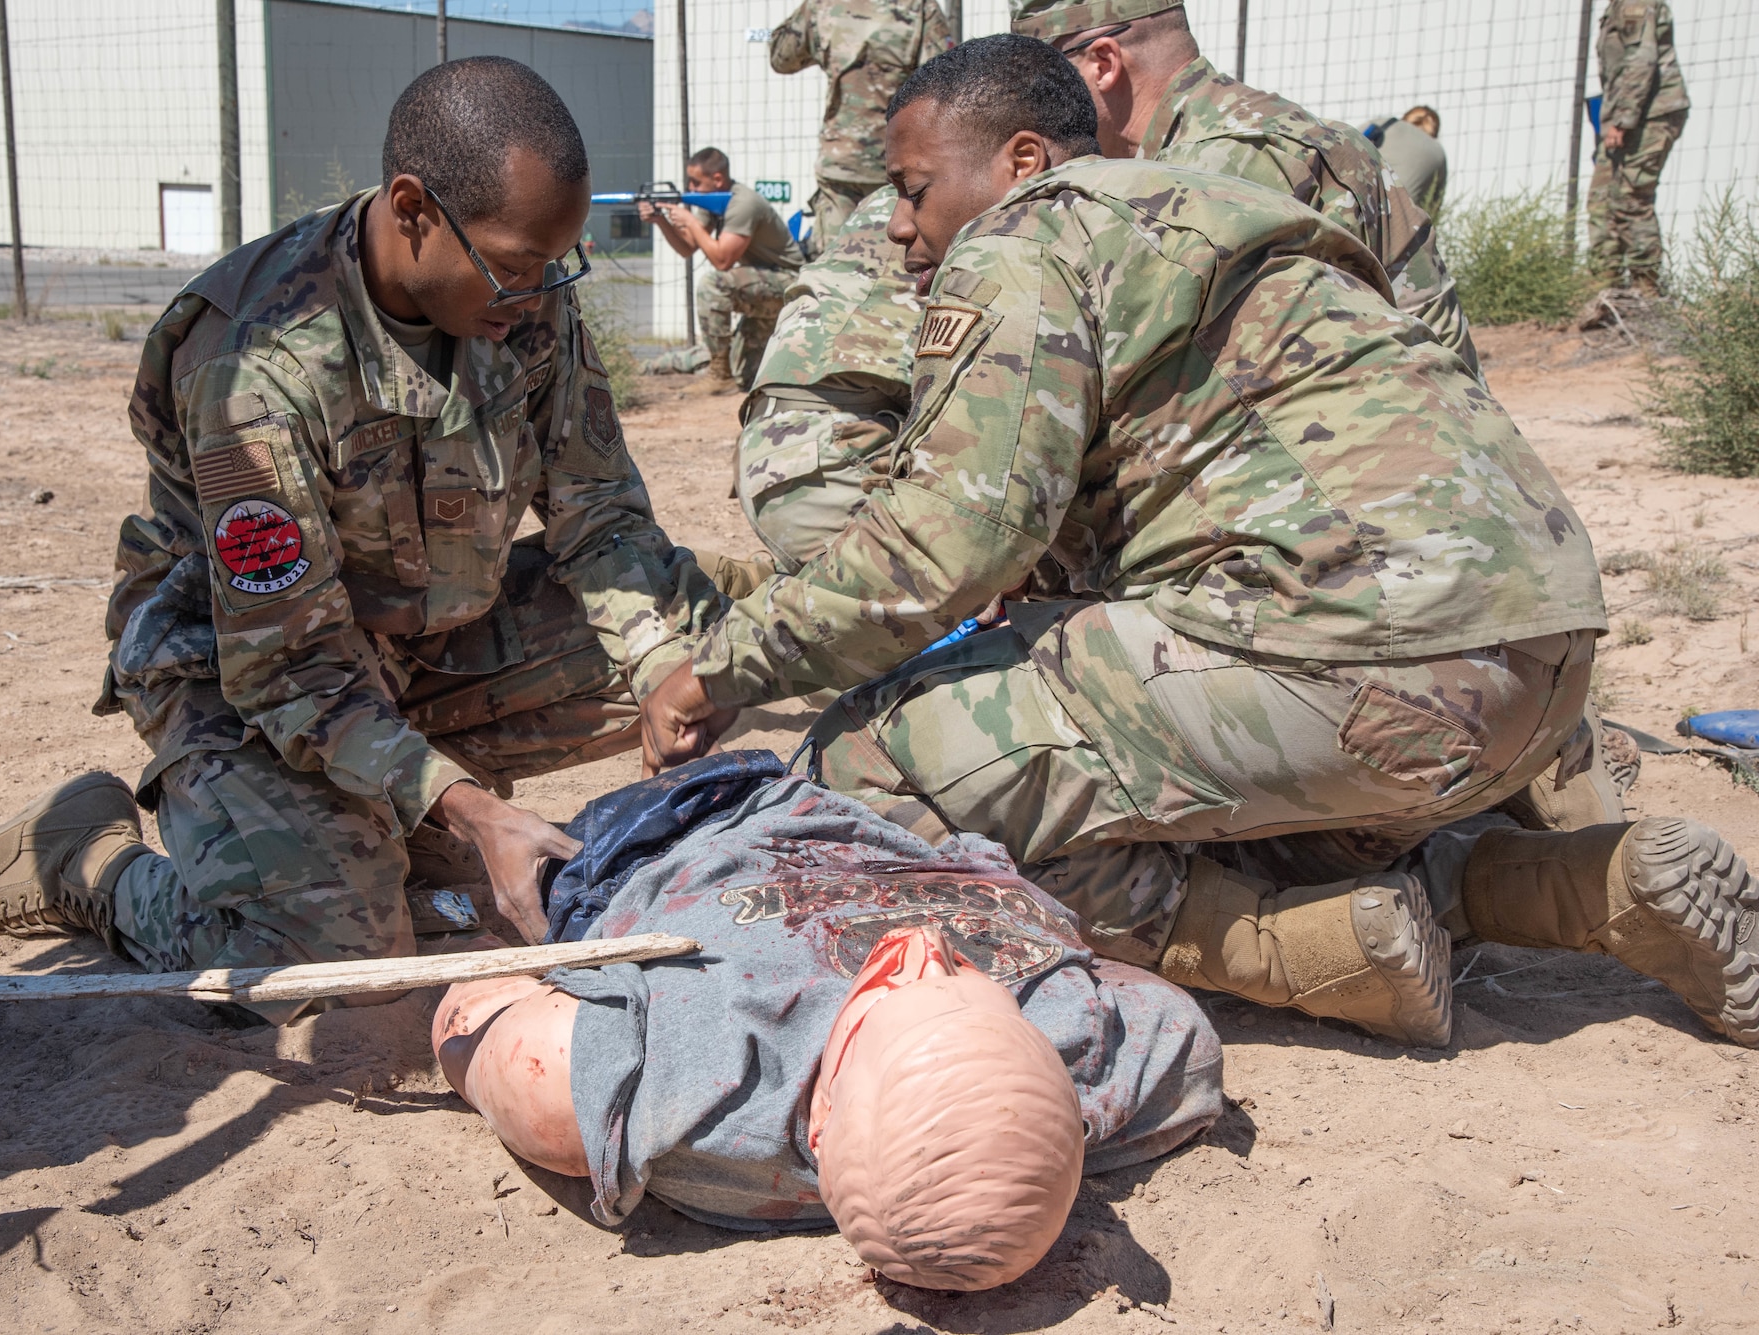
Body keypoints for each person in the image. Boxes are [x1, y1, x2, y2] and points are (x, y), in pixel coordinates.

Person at [638, 36, 1759, 1051]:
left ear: (1021, 161)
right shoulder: (1218, 211)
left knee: (872, 758)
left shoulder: (1025, 238)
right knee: (1170, 783)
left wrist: (721, 668)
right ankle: (1575, 889)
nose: (897, 225)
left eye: (913, 188)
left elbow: (942, 547)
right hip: (1543, 661)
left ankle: (1291, 956)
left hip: (1369, 674)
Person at [0, 58, 724, 1022]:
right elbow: (292, 666)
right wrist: (469, 804)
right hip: (245, 674)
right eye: (516, 264)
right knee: (320, 959)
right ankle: (92, 861)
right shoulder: (258, 363)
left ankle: (384, 819)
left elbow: (602, 515)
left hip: (419, 640)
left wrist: (665, 666)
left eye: (557, 264)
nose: (540, 292)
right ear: (412, 209)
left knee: (707, 639)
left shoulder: (519, 290)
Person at [433, 770, 1222, 1289]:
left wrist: (510, 965)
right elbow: (1169, 1021)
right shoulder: (1089, 1054)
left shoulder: (693, 1090)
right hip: (836, 811)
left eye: (889, 994)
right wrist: (1033, 1122)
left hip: (655, 840)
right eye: (968, 983)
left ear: (822, 1112)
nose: (923, 948)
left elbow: (469, 1021)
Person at [1014, 0, 1479, 377]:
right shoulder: (1270, 128)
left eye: (1041, 85)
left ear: (1103, 63)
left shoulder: (1209, 169)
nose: (1029, 111)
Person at [735, 185, 921, 576]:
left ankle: (739, 584)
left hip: (776, 451)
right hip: (831, 465)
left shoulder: (895, 193)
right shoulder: (970, 197)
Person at [768, 0, 955, 258]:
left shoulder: (823, 5)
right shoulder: (918, 6)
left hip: (844, 163)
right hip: (898, 165)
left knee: (834, 269)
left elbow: (781, 56)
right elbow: (943, 79)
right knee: (899, 270)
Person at [638, 148, 804, 391]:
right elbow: (687, 248)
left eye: (696, 182)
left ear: (717, 179)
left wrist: (691, 222)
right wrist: (661, 220)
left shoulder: (743, 204)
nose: (691, 189)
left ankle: (719, 375)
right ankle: (723, 371)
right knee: (746, 376)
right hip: (764, 286)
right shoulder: (712, 203)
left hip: (790, 286)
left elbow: (722, 261)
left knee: (713, 284)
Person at [1585, 0, 1688, 309]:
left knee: (1631, 197)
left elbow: (1640, 63)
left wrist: (1622, 120)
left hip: (1650, 116)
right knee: (1602, 199)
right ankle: (1606, 288)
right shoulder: (1616, 6)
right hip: (1626, 117)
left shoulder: (1637, 3)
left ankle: (1648, 291)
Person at [1367, 105, 1447, 220]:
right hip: (1399, 224)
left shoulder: (1385, 124)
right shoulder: (1438, 153)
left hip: (1357, 203)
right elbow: (1434, 209)